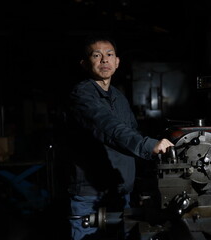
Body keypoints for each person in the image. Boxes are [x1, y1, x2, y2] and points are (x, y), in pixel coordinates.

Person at [66, 34, 174, 240]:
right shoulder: (81, 95)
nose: (104, 60)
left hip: (120, 191)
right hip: (91, 194)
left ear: (117, 62)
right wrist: (148, 145)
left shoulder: (118, 97)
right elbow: (108, 127)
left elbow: (132, 133)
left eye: (109, 54)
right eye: (96, 55)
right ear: (84, 63)